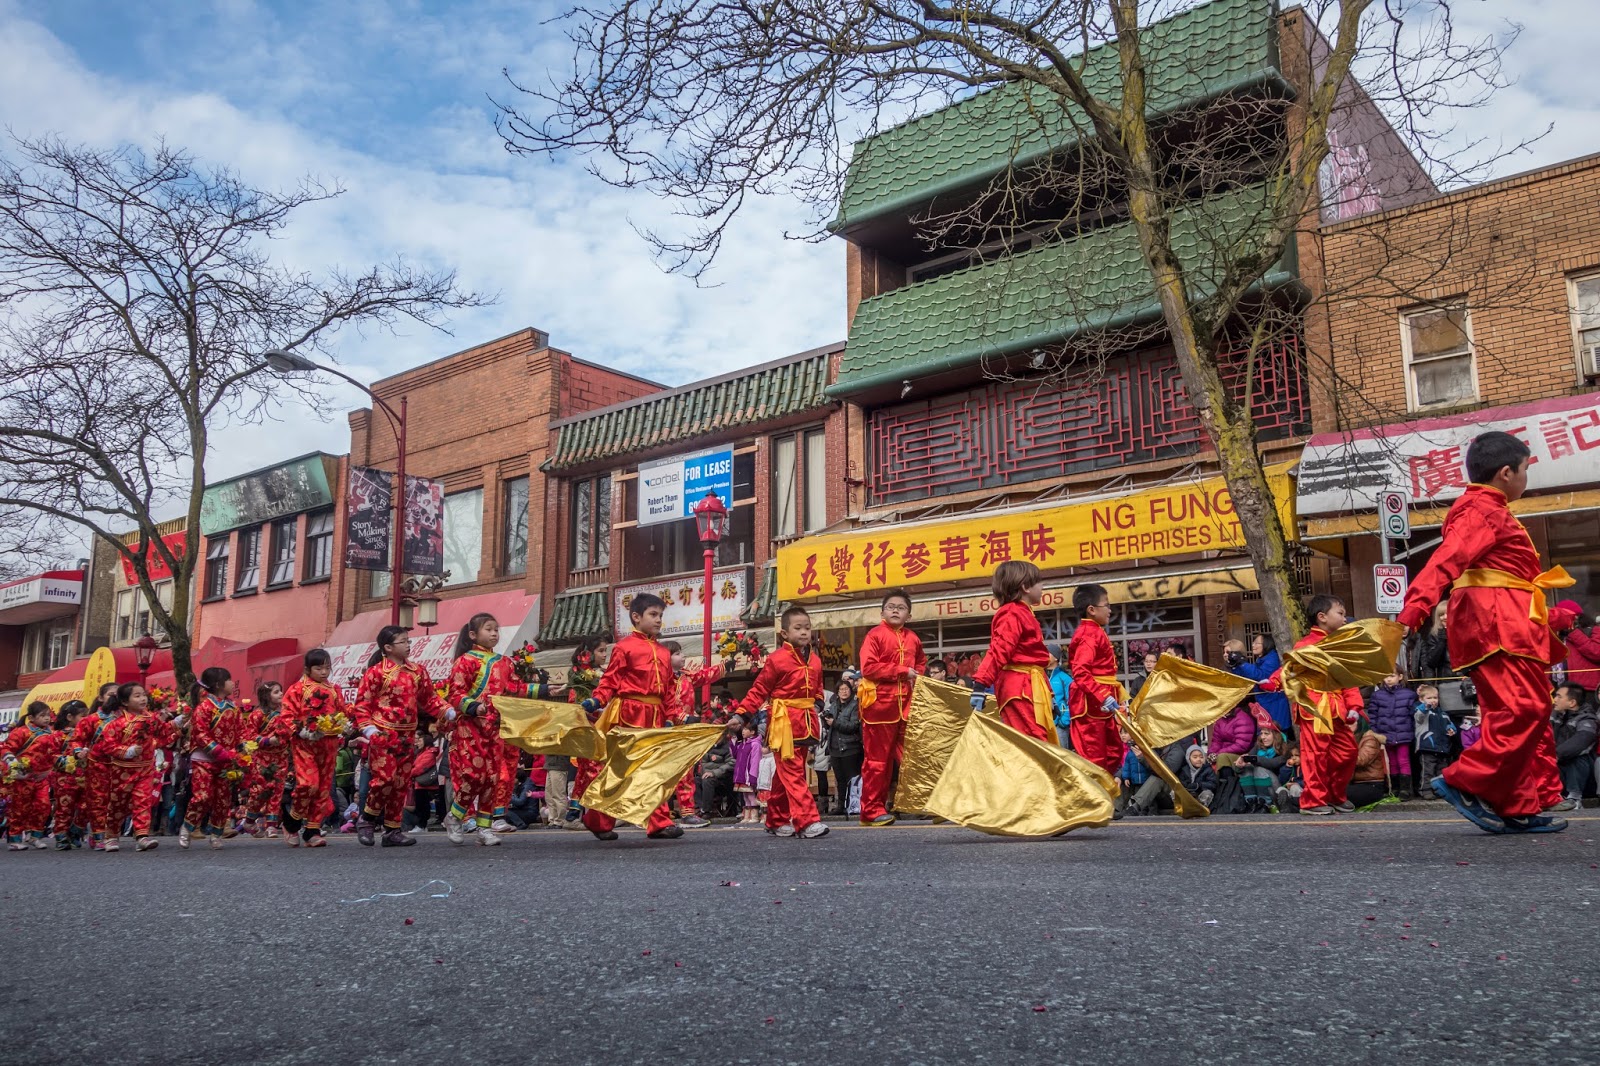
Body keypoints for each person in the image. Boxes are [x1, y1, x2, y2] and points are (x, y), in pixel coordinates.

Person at [1397, 430, 1580, 834]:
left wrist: (1552, 621)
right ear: (1505, 473)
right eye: (1525, 470)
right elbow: (1448, 560)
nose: (1526, 479)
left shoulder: (1487, 507)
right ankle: (1466, 780)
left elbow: (1506, 580)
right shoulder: (1483, 509)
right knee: (1524, 710)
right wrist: (1413, 609)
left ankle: (1516, 806)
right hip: (1497, 627)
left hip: (1507, 622)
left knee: (1512, 714)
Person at [576, 593, 683, 841]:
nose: (658, 620)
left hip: (655, 716)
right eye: (653, 615)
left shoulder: (664, 652)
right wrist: (596, 700)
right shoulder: (624, 647)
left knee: (655, 769)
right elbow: (610, 680)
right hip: (629, 713)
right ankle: (596, 820)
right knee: (620, 770)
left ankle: (658, 822)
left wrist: (673, 715)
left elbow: (668, 689)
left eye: (660, 616)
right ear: (636, 617)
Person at [1264, 595, 1362, 817]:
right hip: (1314, 708)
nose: (1345, 618)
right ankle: (1313, 800)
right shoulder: (1306, 645)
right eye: (1340, 613)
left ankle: (1334, 795)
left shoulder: (1340, 644)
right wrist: (1274, 681)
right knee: (1315, 755)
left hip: (1336, 708)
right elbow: (1290, 669)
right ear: (1322, 617)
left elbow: (1346, 678)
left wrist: (1354, 704)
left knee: (1348, 752)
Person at [735, 606, 828, 839]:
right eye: (798, 628)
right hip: (783, 723)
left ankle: (775, 819)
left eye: (807, 628)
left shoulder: (815, 660)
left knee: (785, 776)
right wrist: (742, 714)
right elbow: (759, 690)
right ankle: (807, 821)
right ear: (785, 633)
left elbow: (817, 689)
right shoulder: (777, 660)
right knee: (794, 772)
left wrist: (817, 703)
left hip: (806, 722)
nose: (804, 632)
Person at [353, 625, 448, 847]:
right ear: (388, 647)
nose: (408, 645)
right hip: (383, 734)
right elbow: (362, 704)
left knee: (400, 782)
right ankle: (366, 819)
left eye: (408, 641)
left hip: (407, 735)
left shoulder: (417, 671)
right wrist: (368, 728)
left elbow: (430, 699)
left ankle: (392, 830)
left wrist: (448, 710)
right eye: (402, 641)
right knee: (383, 779)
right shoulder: (376, 673)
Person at [443, 612, 528, 847]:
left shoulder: (505, 662)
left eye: (496, 629)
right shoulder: (465, 661)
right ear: (473, 634)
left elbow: (516, 689)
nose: (494, 633)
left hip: (495, 728)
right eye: (488, 629)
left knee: (492, 779)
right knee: (473, 775)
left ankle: (484, 827)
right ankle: (455, 816)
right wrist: (474, 707)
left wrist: (544, 691)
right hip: (470, 728)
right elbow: (455, 693)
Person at [856, 590, 927, 827]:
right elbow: (869, 668)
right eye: (891, 606)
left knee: (914, 757)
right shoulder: (874, 636)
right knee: (877, 762)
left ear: (909, 614)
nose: (895, 610)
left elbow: (921, 664)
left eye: (901, 607)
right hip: (879, 708)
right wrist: (902, 671)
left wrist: (918, 677)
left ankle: (926, 802)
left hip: (908, 706)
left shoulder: (914, 638)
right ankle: (871, 811)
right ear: (882, 612)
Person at [973, 562, 1055, 744]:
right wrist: (980, 685)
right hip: (1020, 688)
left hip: (1027, 685)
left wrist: (1050, 696)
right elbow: (998, 650)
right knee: (1031, 745)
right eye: (1038, 582)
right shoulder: (1012, 613)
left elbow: (1033, 660)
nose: (1042, 587)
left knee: (1036, 742)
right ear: (1025, 587)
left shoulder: (1022, 612)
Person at [88, 683, 174, 852]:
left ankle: (142, 836)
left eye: (143, 695)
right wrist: (127, 751)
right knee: (118, 805)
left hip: (145, 769)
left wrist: (178, 722)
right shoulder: (116, 724)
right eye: (137, 696)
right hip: (122, 771)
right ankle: (111, 836)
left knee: (143, 801)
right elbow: (108, 746)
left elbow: (164, 733)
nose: (143, 698)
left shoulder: (152, 718)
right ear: (125, 702)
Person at [276, 649, 349, 847]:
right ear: (308, 669)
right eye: (319, 668)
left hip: (330, 743)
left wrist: (346, 725)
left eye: (327, 667)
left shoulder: (334, 689)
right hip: (305, 743)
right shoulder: (297, 689)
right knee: (309, 784)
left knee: (324, 787)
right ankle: (291, 822)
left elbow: (342, 711)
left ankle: (312, 830)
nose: (324, 672)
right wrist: (299, 731)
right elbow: (286, 715)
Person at [1063, 582, 1126, 776]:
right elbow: (1081, 671)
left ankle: (1106, 798)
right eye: (1106, 605)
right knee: (1095, 759)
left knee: (1112, 753)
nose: (1109, 609)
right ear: (1091, 610)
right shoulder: (1088, 634)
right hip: (1092, 704)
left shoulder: (1095, 631)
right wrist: (1102, 696)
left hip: (1100, 703)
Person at [182, 666, 248, 850]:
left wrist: (243, 750)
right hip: (204, 759)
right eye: (229, 680)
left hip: (227, 761)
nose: (232, 683)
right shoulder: (204, 708)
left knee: (222, 798)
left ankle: (216, 833)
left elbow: (240, 731)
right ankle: (187, 827)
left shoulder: (233, 707)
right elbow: (200, 734)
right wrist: (218, 751)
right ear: (219, 684)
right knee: (202, 796)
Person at [666, 640, 723, 829]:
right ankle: (657, 814)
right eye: (677, 653)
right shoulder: (661, 679)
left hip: (685, 733)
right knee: (664, 774)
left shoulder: (687, 677)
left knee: (686, 772)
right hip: (666, 731)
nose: (683, 656)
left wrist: (724, 666)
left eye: (681, 653)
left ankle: (688, 813)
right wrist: (682, 718)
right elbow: (664, 705)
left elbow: (704, 675)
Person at [2, 701, 63, 850]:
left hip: (41, 778)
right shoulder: (21, 732)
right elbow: (6, 749)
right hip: (22, 778)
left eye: (48, 715)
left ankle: (35, 836)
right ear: (31, 717)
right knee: (20, 808)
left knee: (44, 806)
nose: (46, 719)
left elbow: (54, 754)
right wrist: (13, 765)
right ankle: (14, 838)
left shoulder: (53, 734)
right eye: (42, 716)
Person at [244, 681, 288, 838]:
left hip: (281, 757)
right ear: (266, 695)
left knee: (277, 790)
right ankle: (249, 820)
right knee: (260, 790)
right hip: (262, 757)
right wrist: (266, 741)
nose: (281, 694)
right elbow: (248, 736)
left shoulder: (286, 714)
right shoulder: (257, 715)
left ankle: (271, 825)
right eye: (276, 692)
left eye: (281, 691)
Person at [1227, 637, 1292, 736]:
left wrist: (1243, 663)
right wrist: (1235, 666)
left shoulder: (1272, 658)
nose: (1253, 645)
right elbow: (1246, 678)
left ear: (1266, 644)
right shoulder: (1260, 660)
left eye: (1257, 643)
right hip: (1264, 705)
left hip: (1274, 705)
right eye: (1253, 642)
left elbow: (1260, 676)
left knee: (1275, 738)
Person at [1367, 673, 1418, 798]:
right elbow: (1373, 714)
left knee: (1403, 760)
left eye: (1392, 676)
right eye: (1386, 676)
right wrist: (1375, 730)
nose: (1389, 679)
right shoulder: (1377, 695)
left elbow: (1414, 714)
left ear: (1400, 677)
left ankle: (1405, 790)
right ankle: (1395, 788)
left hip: (1403, 732)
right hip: (1386, 732)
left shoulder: (1409, 694)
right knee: (1393, 762)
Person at [1548, 683, 1596, 810]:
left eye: (1558, 696)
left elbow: (1581, 741)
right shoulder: (1554, 715)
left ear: (1572, 702)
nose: (1555, 699)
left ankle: (1575, 798)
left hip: (1585, 778)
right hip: (1558, 767)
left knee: (1578, 755)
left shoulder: (1587, 718)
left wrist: (1555, 755)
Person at [50, 700, 89, 850]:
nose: (85, 719)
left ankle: (76, 830)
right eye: (82, 716)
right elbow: (50, 755)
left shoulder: (88, 735)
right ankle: (60, 834)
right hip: (65, 777)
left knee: (87, 806)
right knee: (65, 807)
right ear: (69, 717)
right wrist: (66, 761)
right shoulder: (58, 735)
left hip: (86, 776)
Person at [823, 679, 863, 815]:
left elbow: (853, 726)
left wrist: (835, 723)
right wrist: (825, 721)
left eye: (846, 689)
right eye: (841, 690)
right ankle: (840, 806)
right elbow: (829, 726)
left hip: (850, 747)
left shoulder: (855, 705)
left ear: (850, 691)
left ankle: (853, 805)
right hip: (835, 747)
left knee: (852, 778)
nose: (844, 692)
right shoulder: (833, 705)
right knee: (839, 779)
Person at [1413, 684, 1456, 798]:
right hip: (1426, 746)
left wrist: (1451, 729)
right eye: (1429, 698)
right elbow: (1419, 717)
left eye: (1435, 697)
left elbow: (1448, 723)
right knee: (1428, 770)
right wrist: (1425, 706)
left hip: (1442, 746)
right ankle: (1425, 790)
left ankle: (1439, 790)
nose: (1433, 700)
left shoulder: (1442, 713)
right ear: (1421, 699)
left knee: (1441, 770)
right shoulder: (1421, 711)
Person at [1237, 726, 1289, 812]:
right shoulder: (1258, 746)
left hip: (1276, 788)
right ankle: (1251, 802)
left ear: (1276, 735)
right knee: (1247, 768)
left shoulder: (1284, 748)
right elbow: (1249, 758)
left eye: (1266, 734)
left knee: (1259, 770)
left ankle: (1265, 803)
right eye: (1261, 733)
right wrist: (1240, 764)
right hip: (1258, 786)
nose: (1263, 737)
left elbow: (1273, 763)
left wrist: (1256, 759)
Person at [695, 724, 736, 818]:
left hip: (723, 778)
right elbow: (704, 763)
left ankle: (707, 810)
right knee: (695, 781)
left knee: (707, 781)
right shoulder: (709, 746)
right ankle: (699, 808)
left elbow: (731, 763)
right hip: (707, 774)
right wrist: (703, 773)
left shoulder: (728, 747)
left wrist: (714, 773)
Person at [1557, 601, 1600, 690]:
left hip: (1586, 689)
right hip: (1561, 690)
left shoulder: (1593, 630)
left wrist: (1574, 633)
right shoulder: (1557, 634)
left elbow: (1597, 653)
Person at [731, 717, 762, 826]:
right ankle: (747, 815)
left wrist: (753, 776)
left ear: (752, 732)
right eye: (743, 729)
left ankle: (754, 815)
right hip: (741, 774)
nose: (743, 731)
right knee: (745, 795)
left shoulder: (755, 745)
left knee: (751, 794)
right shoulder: (742, 744)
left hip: (748, 774)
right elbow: (735, 755)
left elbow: (755, 761)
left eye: (746, 730)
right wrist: (733, 742)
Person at [1178, 745, 1218, 809]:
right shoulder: (1184, 770)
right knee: (1174, 792)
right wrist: (1187, 785)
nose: (1199, 759)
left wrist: (1199, 785)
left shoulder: (1208, 769)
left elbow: (1213, 784)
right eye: (1195, 757)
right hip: (1188, 794)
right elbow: (1180, 783)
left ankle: (1201, 808)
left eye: (1201, 757)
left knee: (1207, 793)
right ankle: (1181, 808)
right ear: (1188, 758)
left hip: (1200, 793)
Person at [1048, 650, 1073, 749]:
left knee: (1062, 756)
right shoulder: (1038, 675)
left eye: (1048, 653)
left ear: (1055, 658)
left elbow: (1072, 701)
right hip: (1042, 723)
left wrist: (1064, 721)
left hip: (1059, 725)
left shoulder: (1065, 678)